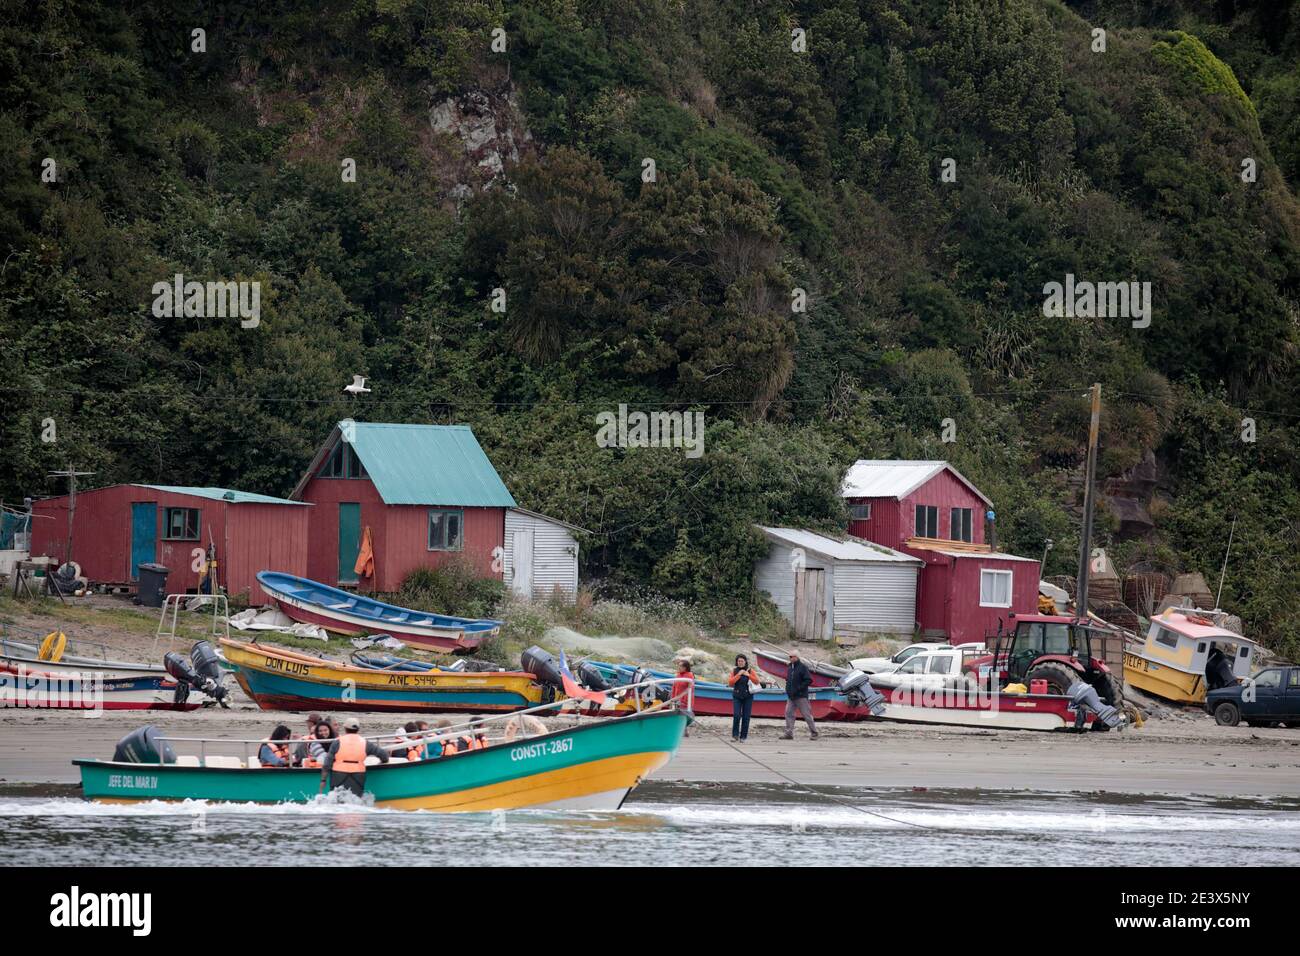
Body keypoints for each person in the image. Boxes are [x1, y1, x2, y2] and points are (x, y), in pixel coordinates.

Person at [320, 717, 389, 797]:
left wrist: (323, 780)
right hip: (358, 775)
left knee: (336, 798)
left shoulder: (337, 742)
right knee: (356, 798)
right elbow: (384, 756)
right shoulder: (366, 743)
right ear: (358, 729)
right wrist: (383, 761)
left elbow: (327, 764)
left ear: (345, 728)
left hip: (338, 774)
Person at [780, 650, 818, 740]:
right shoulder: (790, 667)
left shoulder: (803, 667)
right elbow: (788, 680)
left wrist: (799, 688)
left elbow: (808, 680)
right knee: (788, 713)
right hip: (791, 696)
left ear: (796, 657)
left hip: (801, 696)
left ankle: (814, 733)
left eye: (791, 657)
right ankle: (789, 734)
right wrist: (788, 689)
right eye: (789, 657)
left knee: (806, 715)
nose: (790, 658)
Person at [727, 655, 763, 742]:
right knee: (736, 715)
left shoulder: (750, 670)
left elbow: (757, 681)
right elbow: (730, 683)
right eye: (739, 661)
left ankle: (743, 737)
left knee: (746, 717)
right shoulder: (734, 671)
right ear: (737, 662)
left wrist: (748, 675)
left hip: (748, 697)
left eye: (742, 661)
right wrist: (739, 675)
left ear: (745, 661)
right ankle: (735, 735)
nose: (740, 662)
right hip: (737, 696)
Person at [672, 659, 696, 737]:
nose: (679, 667)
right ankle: (683, 730)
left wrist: (681, 697)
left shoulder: (689, 675)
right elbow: (674, 687)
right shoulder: (678, 675)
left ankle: (685, 729)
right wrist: (673, 697)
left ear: (685, 667)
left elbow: (690, 688)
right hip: (676, 697)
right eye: (678, 666)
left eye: (681, 666)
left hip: (685, 698)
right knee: (676, 714)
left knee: (684, 714)